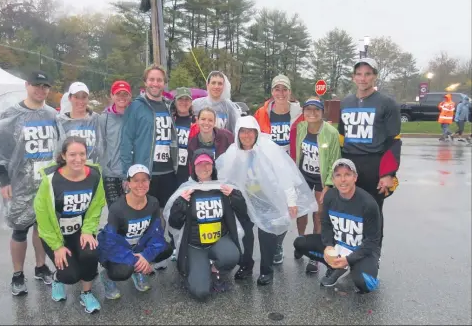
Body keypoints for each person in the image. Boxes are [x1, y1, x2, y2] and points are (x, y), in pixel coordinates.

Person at [216, 116, 317, 285]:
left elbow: (285, 174)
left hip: (266, 197)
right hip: (243, 199)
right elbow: (223, 175)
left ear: (256, 132)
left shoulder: (268, 148)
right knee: (245, 234)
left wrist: (291, 201)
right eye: (243, 131)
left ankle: (266, 270)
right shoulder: (233, 151)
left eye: (250, 131)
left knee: (267, 234)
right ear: (237, 133)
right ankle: (246, 265)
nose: (246, 135)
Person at [0, 70, 58, 295]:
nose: (41, 90)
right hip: (21, 183)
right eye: (37, 85)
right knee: (20, 230)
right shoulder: (12, 114)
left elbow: (58, 147)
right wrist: (3, 180)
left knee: (42, 228)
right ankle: (17, 274)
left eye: (45, 86)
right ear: (27, 85)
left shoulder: (51, 114)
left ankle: (41, 267)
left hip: (46, 182)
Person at [33, 136, 105, 313]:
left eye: (82, 154)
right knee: (70, 275)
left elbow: (96, 206)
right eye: (72, 154)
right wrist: (57, 246)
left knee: (90, 255)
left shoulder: (94, 175)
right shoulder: (50, 180)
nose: (78, 159)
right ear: (64, 155)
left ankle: (86, 293)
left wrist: (88, 230)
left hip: (80, 232)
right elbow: (42, 217)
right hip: (56, 236)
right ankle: (58, 278)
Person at [164, 149, 245, 300]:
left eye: (207, 163)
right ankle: (199, 269)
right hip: (195, 246)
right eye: (199, 164)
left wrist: (235, 197)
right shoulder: (186, 189)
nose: (203, 167)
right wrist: (179, 206)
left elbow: (243, 212)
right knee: (200, 292)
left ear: (213, 166)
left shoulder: (222, 188)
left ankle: (215, 269)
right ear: (193, 168)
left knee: (232, 256)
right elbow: (173, 224)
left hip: (218, 241)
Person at [338, 58, 401, 249]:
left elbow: (394, 140)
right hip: (349, 163)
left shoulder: (387, 103)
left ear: (375, 76)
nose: (363, 78)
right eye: (358, 74)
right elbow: (341, 137)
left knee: (372, 212)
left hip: (374, 164)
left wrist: (388, 174)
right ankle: (349, 252)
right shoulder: (346, 102)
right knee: (348, 212)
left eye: (367, 74)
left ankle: (373, 256)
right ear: (353, 77)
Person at [293, 158, 382, 293]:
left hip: (360, 251)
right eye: (338, 175)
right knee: (300, 242)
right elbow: (326, 223)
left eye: (347, 174)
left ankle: (359, 266)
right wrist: (329, 246)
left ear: (355, 177)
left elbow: (372, 241)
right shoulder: (330, 196)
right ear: (333, 179)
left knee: (366, 284)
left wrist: (349, 259)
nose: (343, 180)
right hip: (338, 245)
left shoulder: (368, 204)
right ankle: (335, 267)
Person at [98, 164, 173, 298]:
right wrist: (136, 260)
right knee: (123, 271)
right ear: (128, 183)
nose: (140, 184)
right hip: (119, 251)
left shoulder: (153, 203)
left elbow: (157, 234)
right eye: (136, 180)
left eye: (144, 180)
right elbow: (110, 242)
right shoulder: (117, 208)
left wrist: (145, 256)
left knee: (166, 248)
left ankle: (138, 270)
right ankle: (108, 276)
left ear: (149, 182)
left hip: (139, 248)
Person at [254, 74, 303, 265]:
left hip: (289, 169)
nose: (281, 93)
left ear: (290, 92)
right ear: (272, 92)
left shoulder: (299, 113)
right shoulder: (262, 113)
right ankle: (269, 245)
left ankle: (278, 245)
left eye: (284, 89)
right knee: (268, 209)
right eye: (277, 89)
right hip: (267, 169)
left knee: (285, 210)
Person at [289, 97, 341, 273]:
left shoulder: (331, 133)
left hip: (321, 178)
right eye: (308, 109)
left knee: (319, 213)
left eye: (316, 110)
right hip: (303, 175)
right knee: (302, 210)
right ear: (303, 112)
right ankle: (301, 242)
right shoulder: (300, 128)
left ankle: (314, 254)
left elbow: (335, 160)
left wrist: (328, 185)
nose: (312, 113)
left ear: (322, 112)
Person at [120, 64, 178, 210]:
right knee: (142, 214)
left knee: (165, 214)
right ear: (145, 82)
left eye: (159, 80)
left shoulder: (169, 107)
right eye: (151, 79)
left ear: (164, 83)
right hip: (145, 173)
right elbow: (126, 141)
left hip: (168, 172)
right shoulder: (136, 107)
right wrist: (127, 173)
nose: (155, 83)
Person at [99, 80, 133, 206]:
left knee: (131, 212)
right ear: (112, 95)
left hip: (131, 172)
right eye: (118, 94)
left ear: (130, 96)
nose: (122, 97)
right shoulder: (104, 118)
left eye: (125, 94)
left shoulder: (135, 116)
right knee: (115, 212)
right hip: (111, 174)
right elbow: (100, 144)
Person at [56, 82, 103, 164]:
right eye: (76, 97)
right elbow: (58, 150)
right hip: (69, 170)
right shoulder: (61, 121)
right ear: (70, 98)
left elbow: (102, 146)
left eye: (84, 97)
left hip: (92, 171)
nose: (80, 101)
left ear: (87, 99)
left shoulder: (96, 119)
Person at [171, 87, 195, 186]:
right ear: (175, 101)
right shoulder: (169, 120)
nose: (183, 102)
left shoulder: (195, 122)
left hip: (187, 171)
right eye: (180, 99)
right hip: (169, 171)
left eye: (187, 99)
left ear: (191, 102)